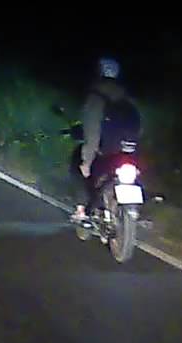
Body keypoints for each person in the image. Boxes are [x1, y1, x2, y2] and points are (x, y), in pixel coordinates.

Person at [69, 57, 141, 224]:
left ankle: (81, 209)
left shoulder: (96, 97)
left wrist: (86, 162)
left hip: (104, 151)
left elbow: (92, 131)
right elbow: (137, 127)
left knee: (77, 161)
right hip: (127, 152)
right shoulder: (126, 98)